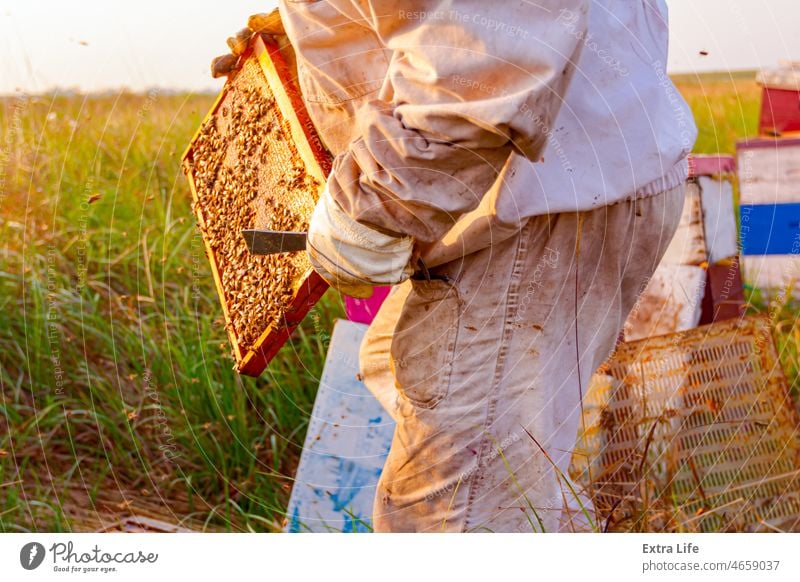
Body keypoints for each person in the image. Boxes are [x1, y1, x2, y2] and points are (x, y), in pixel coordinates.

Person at [213, 0, 696, 532]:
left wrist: (378, 203)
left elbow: (487, 48)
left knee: (447, 517)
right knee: (400, 371)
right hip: (542, 194)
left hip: (532, 208)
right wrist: (311, 33)